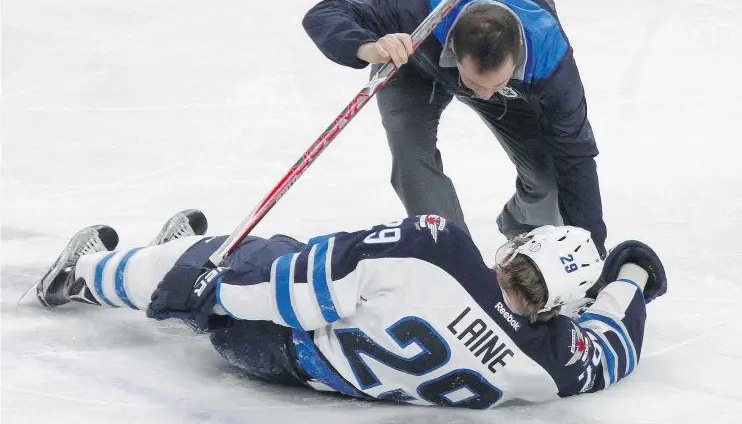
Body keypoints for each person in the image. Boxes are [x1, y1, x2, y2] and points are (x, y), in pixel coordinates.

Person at [30, 208, 666, 409]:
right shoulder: (552, 362)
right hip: (298, 371)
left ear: (520, 248)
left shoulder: (436, 249)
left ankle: (82, 278)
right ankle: (177, 263)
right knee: (255, 270)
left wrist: (206, 290)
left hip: (264, 335)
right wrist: (631, 272)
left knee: (248, 257)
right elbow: (614, 341)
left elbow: (297, 283)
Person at [302, 0, 608, 255]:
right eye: (473, 82)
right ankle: (453, 259)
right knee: (411, 155)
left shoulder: (550, 57)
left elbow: (576, 156)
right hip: (411, 55)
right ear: (451, 46)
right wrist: (369, 47)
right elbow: (324, 14)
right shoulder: (417, 3)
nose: (484, 95)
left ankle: (525, 240)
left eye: (497, 83)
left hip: (506, 79)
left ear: (518, 54)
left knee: (550, 175)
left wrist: (593, 251)